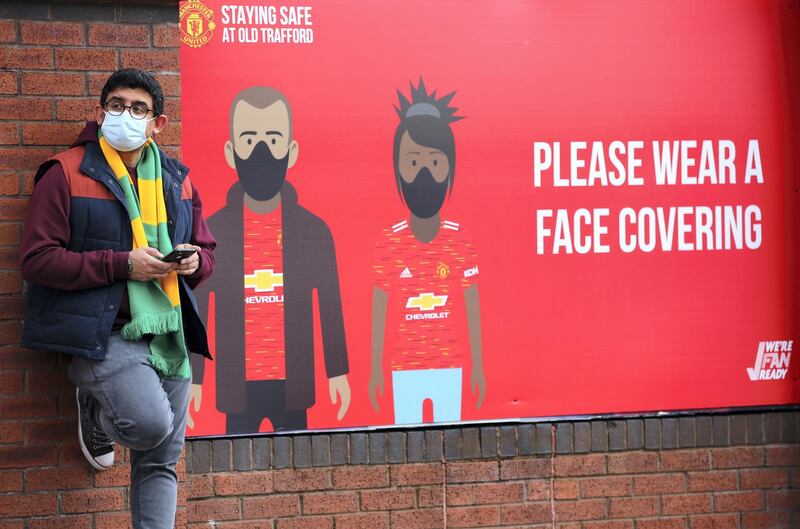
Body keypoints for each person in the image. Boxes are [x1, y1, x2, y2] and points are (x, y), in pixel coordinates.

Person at [18, 69, 216, 529]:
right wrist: (123, 264)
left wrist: (192, 263)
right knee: (150, 426)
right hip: (101, 334)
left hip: (167, 332)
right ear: (101, 111)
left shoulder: (177, 181)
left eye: (138, 109)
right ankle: (97, 408)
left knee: (162, 460)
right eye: (116, 104)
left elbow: (206, 252)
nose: (125, 114)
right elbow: (38, 260)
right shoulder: (65, 172)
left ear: (158, 124)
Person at [190, 86, 350, 435]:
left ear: (291, 152)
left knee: (300, 459)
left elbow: (330, 306)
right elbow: (198, 306)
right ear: (231, 153)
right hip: (237, 385)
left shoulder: (313, 232)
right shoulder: (213, 231)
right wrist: (195, 378)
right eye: (249, 140)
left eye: (273, 139)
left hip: (294, 385)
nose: (261, 151)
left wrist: (337, 373)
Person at [369, 78, 486, 424]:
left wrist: (477, 368)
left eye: (433, 163)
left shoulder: (458, 238)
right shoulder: (390, 240)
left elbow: (472, 305)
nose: (423, 173)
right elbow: (380, 309)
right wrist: (376, 370)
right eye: (413, 161)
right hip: (404, 369)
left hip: (449, 367)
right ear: (398, 168)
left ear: (449, 168)